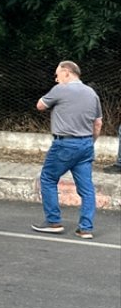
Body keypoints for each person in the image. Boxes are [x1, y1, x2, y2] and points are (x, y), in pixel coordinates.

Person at [32, 61, 102, 239]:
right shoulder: (92, 93)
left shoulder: (60, 90)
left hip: (64, 144)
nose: (56, 79)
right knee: (86, 188)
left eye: (57, 75)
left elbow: (40, 105)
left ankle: (53, 221)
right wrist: (90, 142)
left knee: (47, 178)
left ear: (67, 72)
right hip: (86, 144)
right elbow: (98, 123)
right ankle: (85, 228)